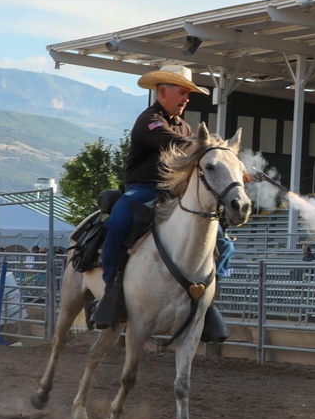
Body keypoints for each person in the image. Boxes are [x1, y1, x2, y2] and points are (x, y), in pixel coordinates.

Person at [92, 65, 231, 343]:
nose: (186, 99)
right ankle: (110, 290)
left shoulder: (186, 125)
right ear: (163, 91)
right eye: (182, 92)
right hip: (142, 190)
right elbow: (174, 143)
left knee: (224, 242)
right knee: (117, 223)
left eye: (188, 94)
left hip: (172, 193)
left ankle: (207, 295)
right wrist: (211, 147)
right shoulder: (149, 121)